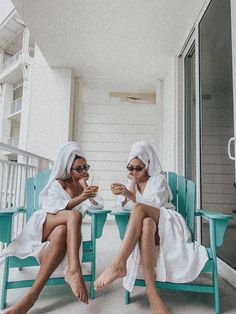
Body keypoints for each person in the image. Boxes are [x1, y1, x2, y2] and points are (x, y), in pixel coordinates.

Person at [94, 141, 209, 314]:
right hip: (149, 228)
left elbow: (155, 205)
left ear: (147, 165)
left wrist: (130, 195)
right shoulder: (131, 182)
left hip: (167, 223)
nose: (133, 172)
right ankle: (152, 294)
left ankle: (118, 264)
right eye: (130, 168)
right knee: (146, 224)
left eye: (138, 168)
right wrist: (129, 188)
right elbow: (125, 208)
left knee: (141, 209)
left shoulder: (158, 180)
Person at [0, 142, 104, 314]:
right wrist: (81, 198)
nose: (84, 170)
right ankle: (74, 269)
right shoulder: (59, 183)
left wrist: (85, 188)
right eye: (79, 168)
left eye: (86, 166)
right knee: (73, 215)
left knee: (63, 231)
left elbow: (98, 205)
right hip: (44, 224)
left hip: (62, 230)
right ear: (69, 170)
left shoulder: (83, 187)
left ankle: (30, 298)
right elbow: (52, 206)